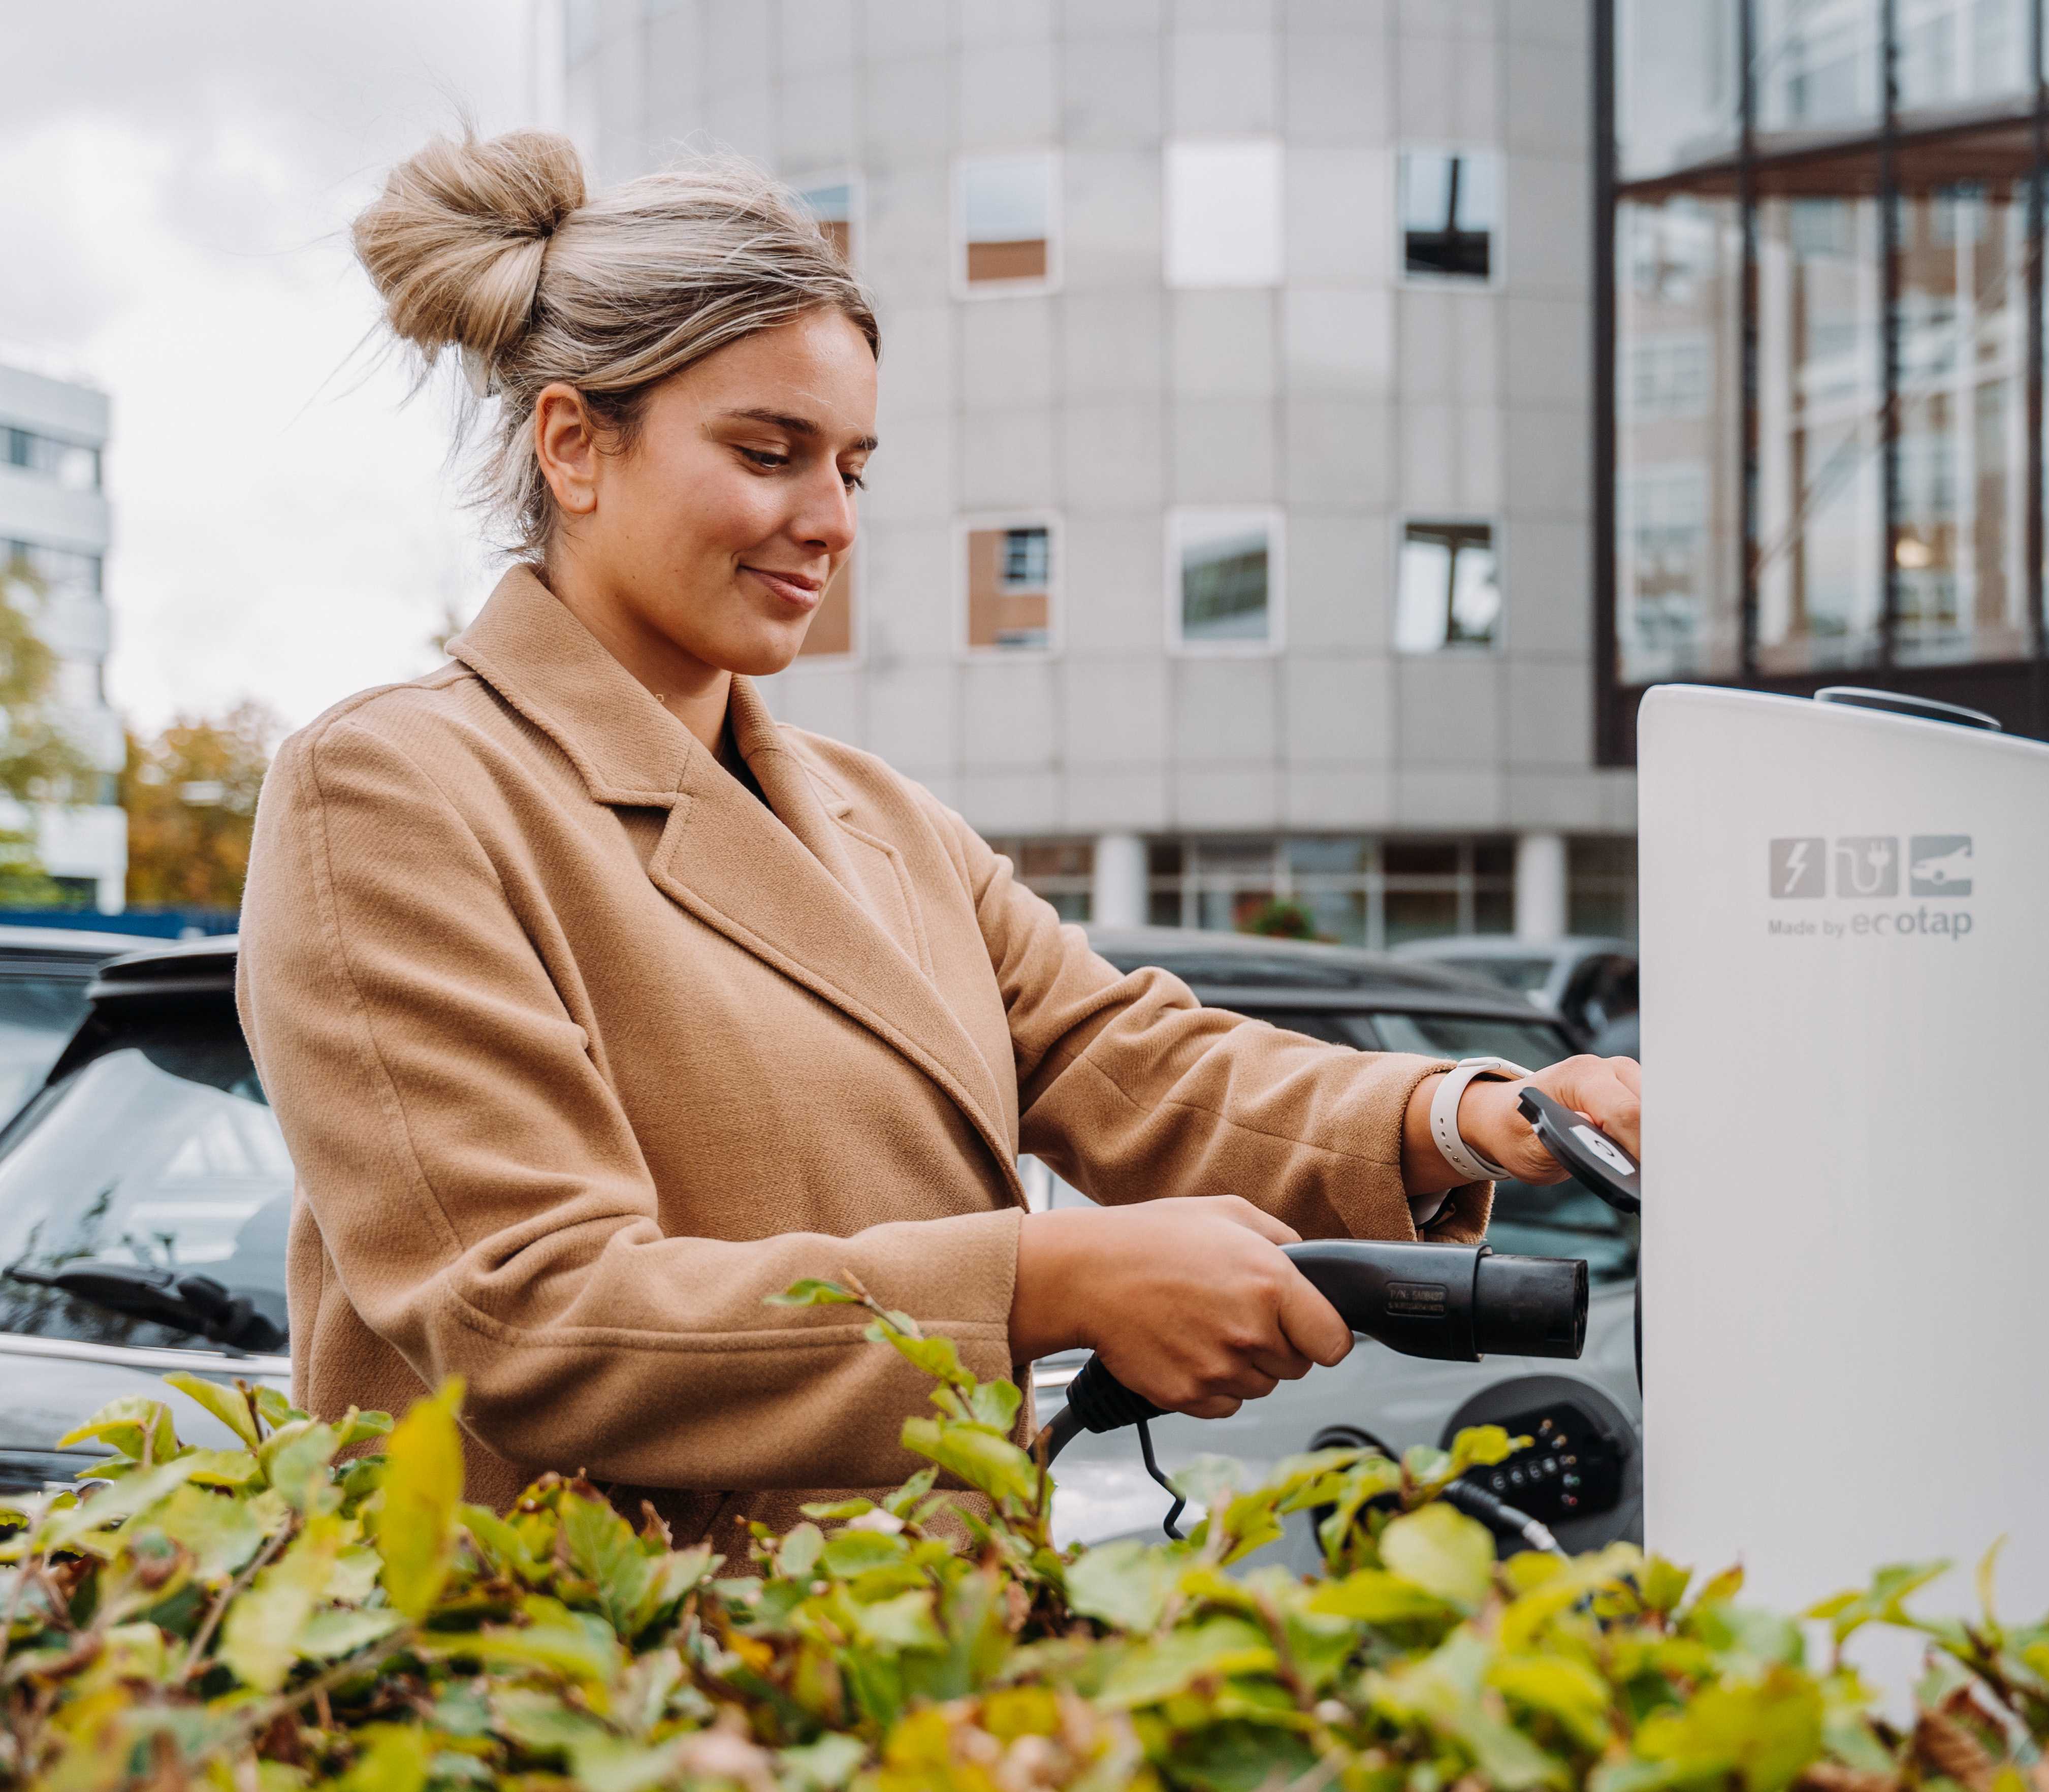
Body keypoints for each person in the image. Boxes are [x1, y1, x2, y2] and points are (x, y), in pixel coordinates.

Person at [235, 131, 1643, 1546]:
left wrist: (1465, 1117)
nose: (831, 520)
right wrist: (1044, 1284)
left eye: (853, 466)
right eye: (768, 453)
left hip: (930, 1684)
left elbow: (1125, 1060)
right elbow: (527, 1317)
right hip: (600, 1705)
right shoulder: (392, 791)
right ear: (573, 444)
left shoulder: (882, 816)